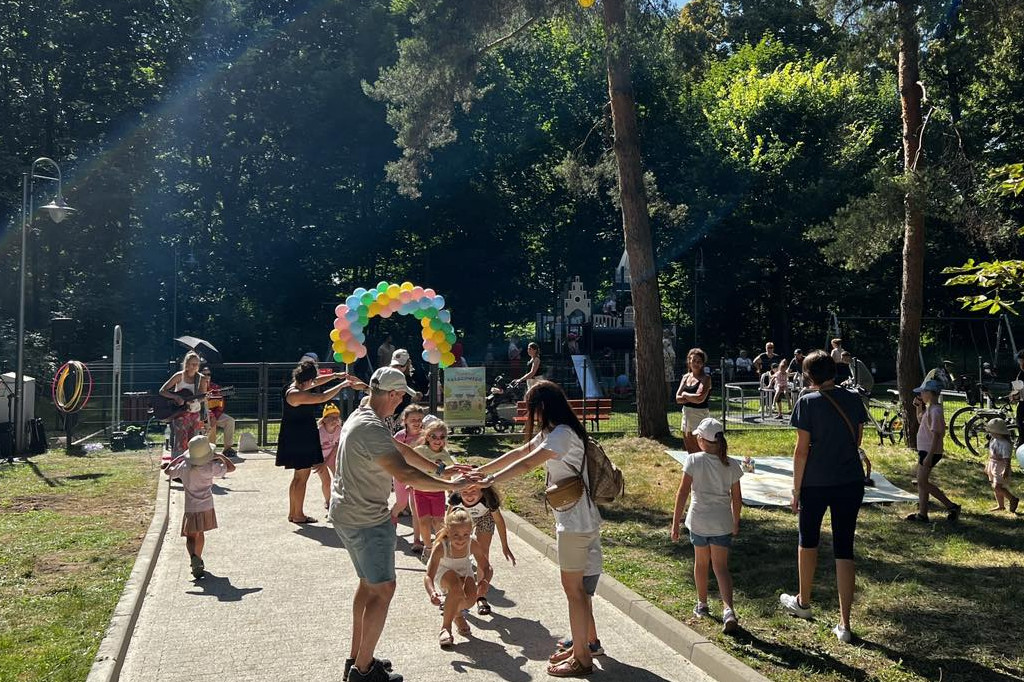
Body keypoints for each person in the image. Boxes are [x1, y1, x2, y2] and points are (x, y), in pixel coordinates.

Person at [330, 367, 478, 682]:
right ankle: (364, 671)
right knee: (384, 589)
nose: (400, 403)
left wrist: (442, 468)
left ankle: (358, 658)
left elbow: (401, 450)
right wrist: (453, 486)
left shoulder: (363, 414)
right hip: (367, 519)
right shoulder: (371, 427)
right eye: (400, 396)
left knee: (368, 585)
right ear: (395, 395)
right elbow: (405, 474)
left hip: (347, 513)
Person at [473, 381, 602, 677]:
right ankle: (582, 645)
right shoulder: (557, 432)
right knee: (579, 591)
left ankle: (582, 659)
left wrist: (488, 481)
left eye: (531, 408)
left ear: (542, 408)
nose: (530, 415)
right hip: (581, 520)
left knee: (574, 592)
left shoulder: (562, 435)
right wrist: (483, 471)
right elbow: (520, 452)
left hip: (574, 524)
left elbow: (527, 464)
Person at [780, 350, 868, 644]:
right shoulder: (853, 399)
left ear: (808, 376)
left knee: (808, 541)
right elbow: (857, 439)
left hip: (815, 483)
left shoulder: (807, 402)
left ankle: (803, 601)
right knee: (845, 548)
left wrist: (796, 488)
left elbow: (801, 449)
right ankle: (845, 623)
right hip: (850, 481)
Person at [670, 418, 742, 634]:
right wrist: (735, 521)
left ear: (701, 440)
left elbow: (682, 493)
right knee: (721, 568)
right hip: (722, 523)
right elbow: (737, 498)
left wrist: (675, 523)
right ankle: (728, 610)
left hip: (698, 521)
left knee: (701, 564)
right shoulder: (731, 464)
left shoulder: (693, 461)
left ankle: (702, 604)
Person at [277, 358, 361, 524]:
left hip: (298, 436)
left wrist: (335, 376)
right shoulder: (295, 394)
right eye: (312, 380)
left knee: (297, 478)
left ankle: (293, 513)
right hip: (300, 439)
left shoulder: (295, 385)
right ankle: (299, 515)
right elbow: (322, 397)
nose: (314, 382)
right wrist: (342, 385)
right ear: (306, 380)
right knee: (302, 478)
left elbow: (316, 382)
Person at [164, 434, 236, 579]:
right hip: (206, 506)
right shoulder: (210, 467)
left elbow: (167, 471)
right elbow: (231, 468)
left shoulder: (184, 466)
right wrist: (221, 456)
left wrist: (177, 459)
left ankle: (194, 559)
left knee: (190, 537)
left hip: (190, 508)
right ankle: (199, 558)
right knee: (200, 533)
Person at [423, 507, 489, 648]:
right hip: (444, 570)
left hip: (464, 570)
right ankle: (445, 628)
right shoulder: (441, 546)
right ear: (448, 531)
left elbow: (486, 566)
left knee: (470, 599)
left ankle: (457, 614)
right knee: (456, 589)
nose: (461, 539)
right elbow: (428, 576)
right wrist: (432, 592)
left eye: (466, 534)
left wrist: (484, 581)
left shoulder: (473, 543)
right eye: (456, 535)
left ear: (471, 531)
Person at [447, 485, 516, 615]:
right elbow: (448, 520)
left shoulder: (489, 499)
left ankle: (481, 596)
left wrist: (504, 545)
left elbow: (499, 521)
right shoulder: (456, 498)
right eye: (465, 491)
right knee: (457, 552)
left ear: (482, 490)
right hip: (463, 517)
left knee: (483, 553)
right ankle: (455, 595)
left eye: (473, 491)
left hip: (485, 517)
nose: (468, 495)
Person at [906, 379, 961, 522]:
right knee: (921, 482)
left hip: (930, 451)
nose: (921, 395)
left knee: (922, 482)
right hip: (925, 450)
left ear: (930, 393)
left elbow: (937, 434)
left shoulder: (936, 411)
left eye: (923, 392)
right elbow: (921, 420)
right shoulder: (930, 408)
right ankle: (922, 514)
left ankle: (951, 506)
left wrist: (930, 456)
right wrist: (919, 406)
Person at [550, 538, 605, 663]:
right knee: (585, 602)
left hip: (585, 565)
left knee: (582, 602)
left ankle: (583, 646)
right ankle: (590, 642)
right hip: (586, 563)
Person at [412, 420, 458, 561]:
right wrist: (409, 480)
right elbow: (410, 464)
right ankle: (428, 547)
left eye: (442, 437)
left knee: (438, 521)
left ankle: (439, 547)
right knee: (424, 521)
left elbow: (449, 472)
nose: (438, 440)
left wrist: (451, 488)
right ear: (427, 437)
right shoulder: (420, 451)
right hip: (420, 491)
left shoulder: (446, 456)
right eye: (434, 436)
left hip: (437, 491)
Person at [159, 351, 210, 460]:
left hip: (194, 413)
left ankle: (192, 466)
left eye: (196, 364)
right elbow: (162, 391)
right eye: (191, 364)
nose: (194, 367)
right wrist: (176, 397)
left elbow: (202, 396)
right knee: (180, 440)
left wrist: (197, 400)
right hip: (179, 412)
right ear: (186, 364)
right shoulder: (179, 376)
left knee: (194, 441)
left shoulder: (201, 378)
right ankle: (177, 465)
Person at [391, 405, 427, 552]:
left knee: (416, 507)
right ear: (405, 420)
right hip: (401, 475)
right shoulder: (399, 436)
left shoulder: (426, 435)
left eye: (419, 419)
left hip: (419, 476)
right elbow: (391, 455)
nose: (417, 422)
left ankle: (417, 540)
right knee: (401, 503)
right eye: (413, 420)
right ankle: (391, 522)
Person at [676, 348, 712, 454]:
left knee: (700, 448)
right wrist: (691, 397)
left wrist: (685, 394)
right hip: (686, 415)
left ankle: (703, 469)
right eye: (693, 361)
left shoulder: (706, 378)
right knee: (689, 449)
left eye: (699, 361)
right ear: (689, 361)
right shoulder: (685, 377)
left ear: (702, 364)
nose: (696, 364)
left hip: (700, 415)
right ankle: (692, 469)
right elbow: (678, 399)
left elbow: (699, 398)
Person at [983, 418, 1020, 513]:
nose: (990, 433)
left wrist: (1006, 469)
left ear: (998, 432)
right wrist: (988, 465)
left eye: (992, 431)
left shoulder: (1005, 444)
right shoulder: (993, 439)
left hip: (1000, 466)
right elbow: (991, 453)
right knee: (994, 485)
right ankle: (1000, 505)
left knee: (997, 486)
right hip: (993, 464)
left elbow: (1007, 459)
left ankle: (1012, 499)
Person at [201, 366, 236, 457]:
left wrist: (214, 416)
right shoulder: (196, 387)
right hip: (199, 414)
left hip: (214, 414)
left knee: (230, 421)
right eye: (204, 374)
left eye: (208, 374)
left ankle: (227, 448)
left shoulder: (215, 387)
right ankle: (212, 451)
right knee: (210, 421)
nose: (207, 376)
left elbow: (220, 406)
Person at [316, 403, 343, 510]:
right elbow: (315, 448)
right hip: (319, 457)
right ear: (325, 420)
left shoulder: (339, 430)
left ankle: (339, 499)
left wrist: (327, 462)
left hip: (331, 456)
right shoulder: (319, 431)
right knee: (326, 481)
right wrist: (319, 463)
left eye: (337, 417)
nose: (335, 420)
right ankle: (327, 500)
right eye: (332, 417)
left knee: (338, 477)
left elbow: (336, 447)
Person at [1011, 350, 1024, 447]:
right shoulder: (1021, 373)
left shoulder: (1022, 373)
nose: (1020, 364)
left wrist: (1014, 395)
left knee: (1020, 421)